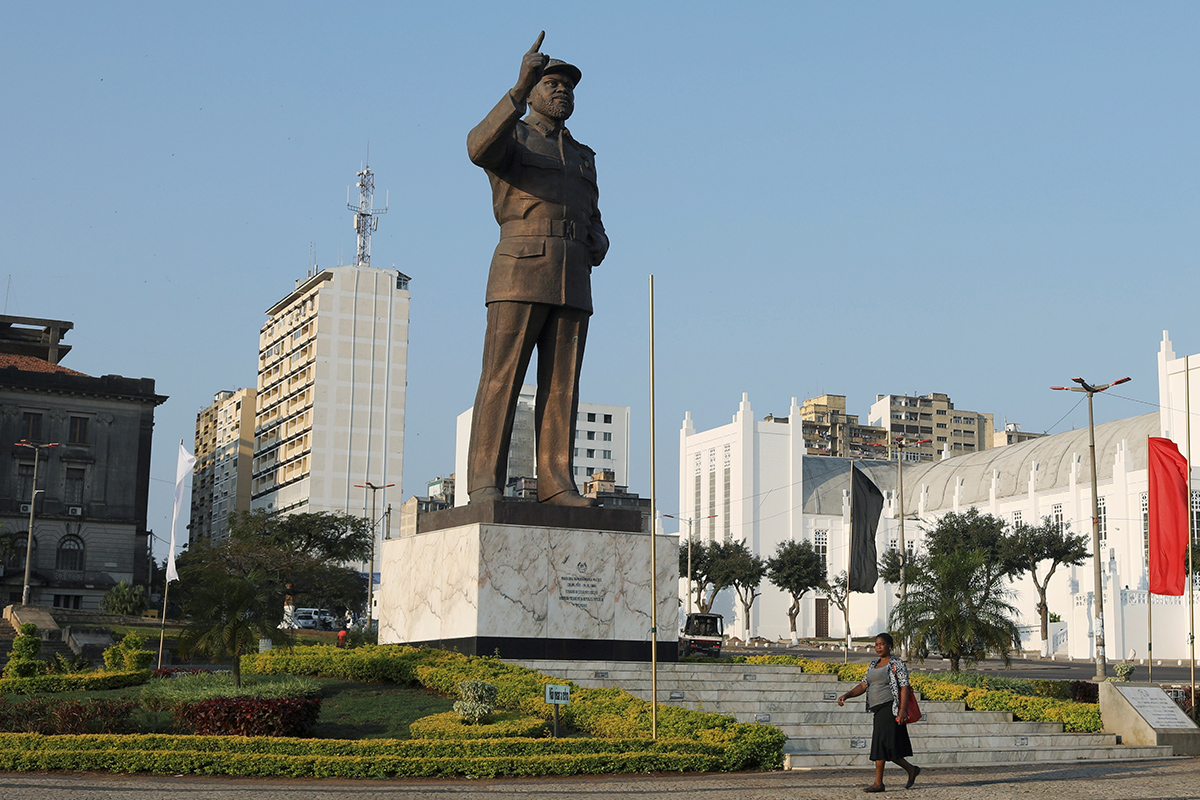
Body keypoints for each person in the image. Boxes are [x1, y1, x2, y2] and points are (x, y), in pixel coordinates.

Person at [465, 31, 609, 508]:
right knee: (502, 378)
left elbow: (593, 214)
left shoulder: (584, 156)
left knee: (563, 385)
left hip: (572, 275)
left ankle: (556, 482)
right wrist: (514, 87)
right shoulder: (514, 137)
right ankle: (485, 481)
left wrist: (599, 239)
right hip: (520, 269)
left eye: (568, 86)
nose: (562, 91)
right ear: (530, 91)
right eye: (551, 83)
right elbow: (476, 147)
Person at [837, 632, 921, 793]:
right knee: (888, 746)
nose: (878, 647)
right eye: (876, 644)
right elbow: (863, 685)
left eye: (882, 644)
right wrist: (847, 695)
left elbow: (904, 687)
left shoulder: (897, 663)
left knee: (881, 744)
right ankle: (910, 769)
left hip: (890, 708)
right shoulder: (873, 664)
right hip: (878, 709)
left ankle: (879, 783)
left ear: (890, 646)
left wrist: (902, 710)